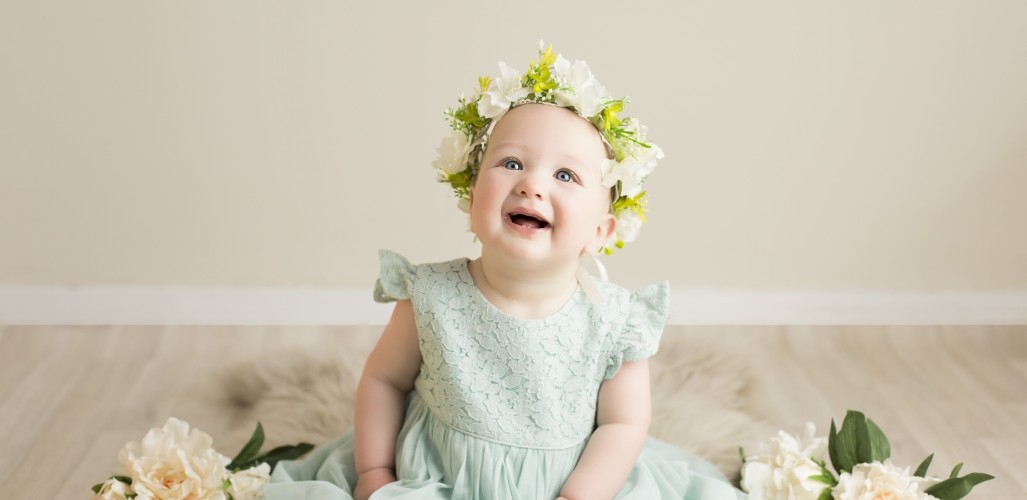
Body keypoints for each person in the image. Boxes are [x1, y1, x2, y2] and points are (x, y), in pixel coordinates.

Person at [264, 43, 747, 499]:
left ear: (600, 231)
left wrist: (581, 495)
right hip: (439, 476)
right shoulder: (432, 296)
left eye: (565, 175)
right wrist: (374, 471)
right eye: (512, 163)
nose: (532, 185)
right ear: (472, 198)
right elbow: (384, 381)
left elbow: (623, 425)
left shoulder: (613, 323)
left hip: (570, 485)